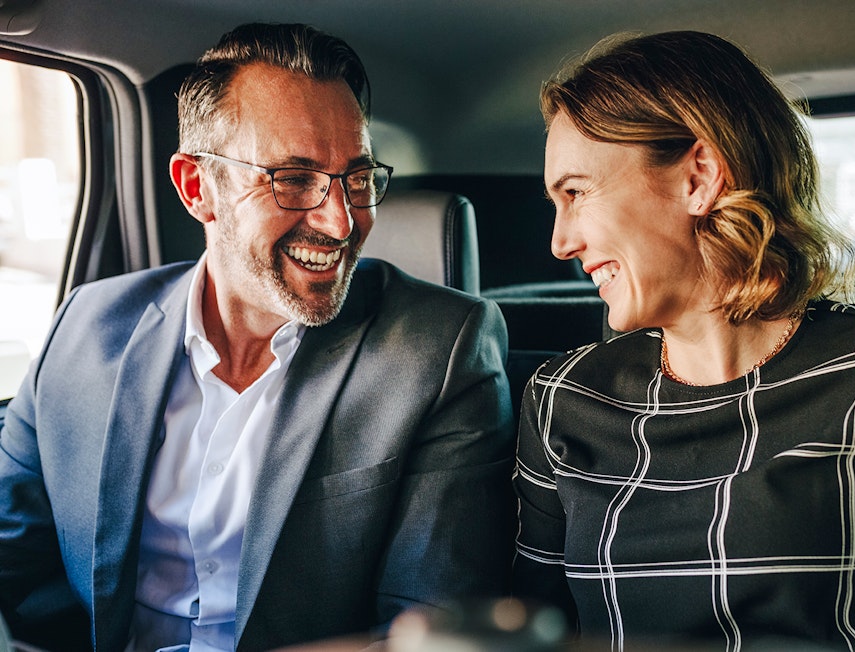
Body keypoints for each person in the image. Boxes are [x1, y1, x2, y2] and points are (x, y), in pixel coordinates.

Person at [513, 30, 855, 650]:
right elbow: (522, 634)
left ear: (698, 178)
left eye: (576, 193)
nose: (560, 242)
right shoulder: (561, 398)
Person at [0, 22, 516, 652]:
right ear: (197, 189)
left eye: (357, 179)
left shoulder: (441, 350)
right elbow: (14, 564)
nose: (341, 221)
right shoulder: (85, 326)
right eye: (294, 178)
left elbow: (427, 626)